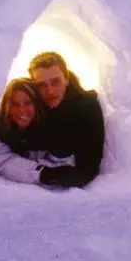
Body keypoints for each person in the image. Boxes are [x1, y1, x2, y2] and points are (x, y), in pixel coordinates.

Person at [28, 51, 105, 188]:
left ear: (67, 79)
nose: (50, 91)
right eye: (42, 85)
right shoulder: (30, 105)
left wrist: (47, 175)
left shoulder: (86, 108)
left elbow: (87, 169)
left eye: (55, 82)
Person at [0, 78, 72, 186]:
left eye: (27, 103)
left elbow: (64, 163)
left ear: (36, 104)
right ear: (7, 107)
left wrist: (51, 173)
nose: (22, 110)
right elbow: (3, 161)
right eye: (15, 104)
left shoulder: (50, 127)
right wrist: (40, 172)